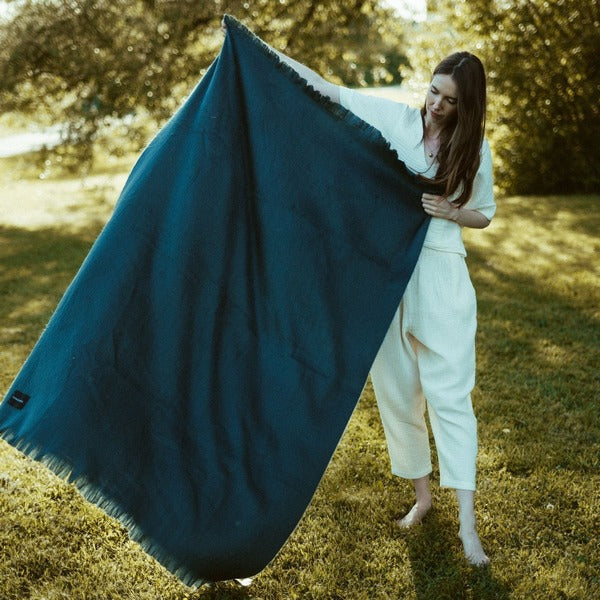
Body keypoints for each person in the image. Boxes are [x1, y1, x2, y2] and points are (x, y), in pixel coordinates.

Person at [222, 20, 495, 566]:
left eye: (450, 101)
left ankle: (468, 526)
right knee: (397, 392)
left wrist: (452, 211)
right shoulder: (398, 120)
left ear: (467, 107)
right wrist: (261, 51)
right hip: (385, 278)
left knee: (450, 398)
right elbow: (330, 91)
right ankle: (422, 499)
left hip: (441, 278)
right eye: (434, 92)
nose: (437, 105)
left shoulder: (474, 150)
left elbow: (484, 214)